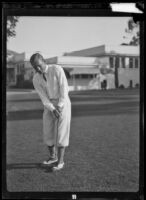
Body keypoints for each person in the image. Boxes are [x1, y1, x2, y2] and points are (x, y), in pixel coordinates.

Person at [30, 53, 71, 171]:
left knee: (61, 132)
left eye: (38, 65)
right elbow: (43, 97)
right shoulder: (36, 78)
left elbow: (64, 89)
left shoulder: (57, 69)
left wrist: (59, 106)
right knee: (47, 131)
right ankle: (53, 157)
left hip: (63, 102)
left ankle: (61, 162)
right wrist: (52, 109)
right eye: (34, 67)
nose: (37, 69)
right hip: (49, 105)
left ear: (44, 61)